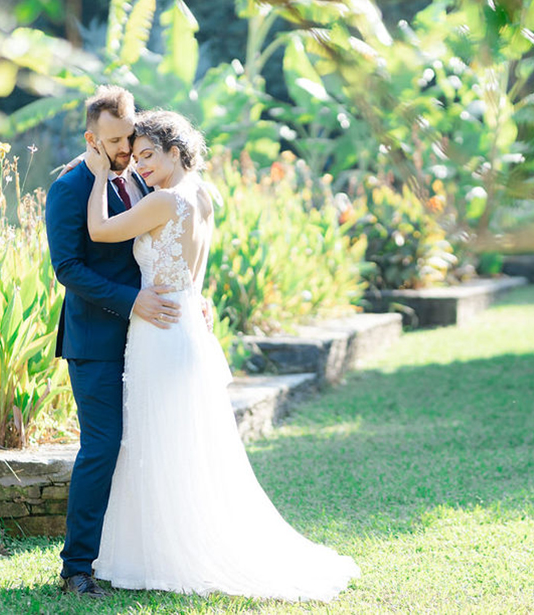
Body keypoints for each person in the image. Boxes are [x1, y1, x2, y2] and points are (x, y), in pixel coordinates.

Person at [84, 110, 359, 601]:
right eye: (137, 157)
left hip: (159, 328)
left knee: (159, 439)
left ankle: (166, 554)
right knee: (179, 440)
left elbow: (100, 231)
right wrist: (199, 298)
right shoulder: (203, 194)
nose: (140, 166)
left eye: (148, 155)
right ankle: (165, 546)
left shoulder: (164, 200)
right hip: (184, 321)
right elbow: (194, 268)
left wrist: (101, 172)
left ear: (175, 152)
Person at [45, 86, 193, 598]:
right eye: (114, 141)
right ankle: (76, 568)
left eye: (130, 136)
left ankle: (135, 554)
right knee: (102, 446)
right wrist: (133, 301)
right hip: (95, 341)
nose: (127, 149)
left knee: (146, 443)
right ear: (92, 140)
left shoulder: (139, 180)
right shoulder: (69, 187)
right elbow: (67, 267)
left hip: (145, 341)